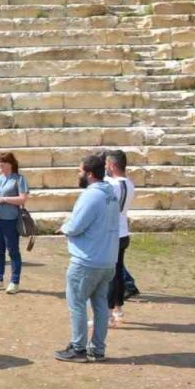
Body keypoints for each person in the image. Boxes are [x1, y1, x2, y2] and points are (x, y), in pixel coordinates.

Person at [55, 155, 121, 363]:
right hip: (107, 259)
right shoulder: (111, 194)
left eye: (80, 171)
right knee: (100, 305)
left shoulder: (91, 195)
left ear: (89, 174)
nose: (78, 174)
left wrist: (64, 228)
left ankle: (78, 348)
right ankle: (98, 349)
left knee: (77, 304)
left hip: (87, 260)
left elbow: (76, 226)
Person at [0, 152, 29, 294]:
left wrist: (4, 199)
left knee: (13, 250)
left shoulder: (19, 179)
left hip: (10, 219)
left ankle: (14, 281)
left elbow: (23, 199)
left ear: (11, 164)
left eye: (3, 162)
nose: (0, 164)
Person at [105, 149, 136, 325]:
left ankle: (108, 313)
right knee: (117, 273)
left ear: (112, 165)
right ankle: (118, 309)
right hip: (123, 232)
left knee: (111, 274)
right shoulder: (129, 184)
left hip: (113, 233)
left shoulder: (113, 185)